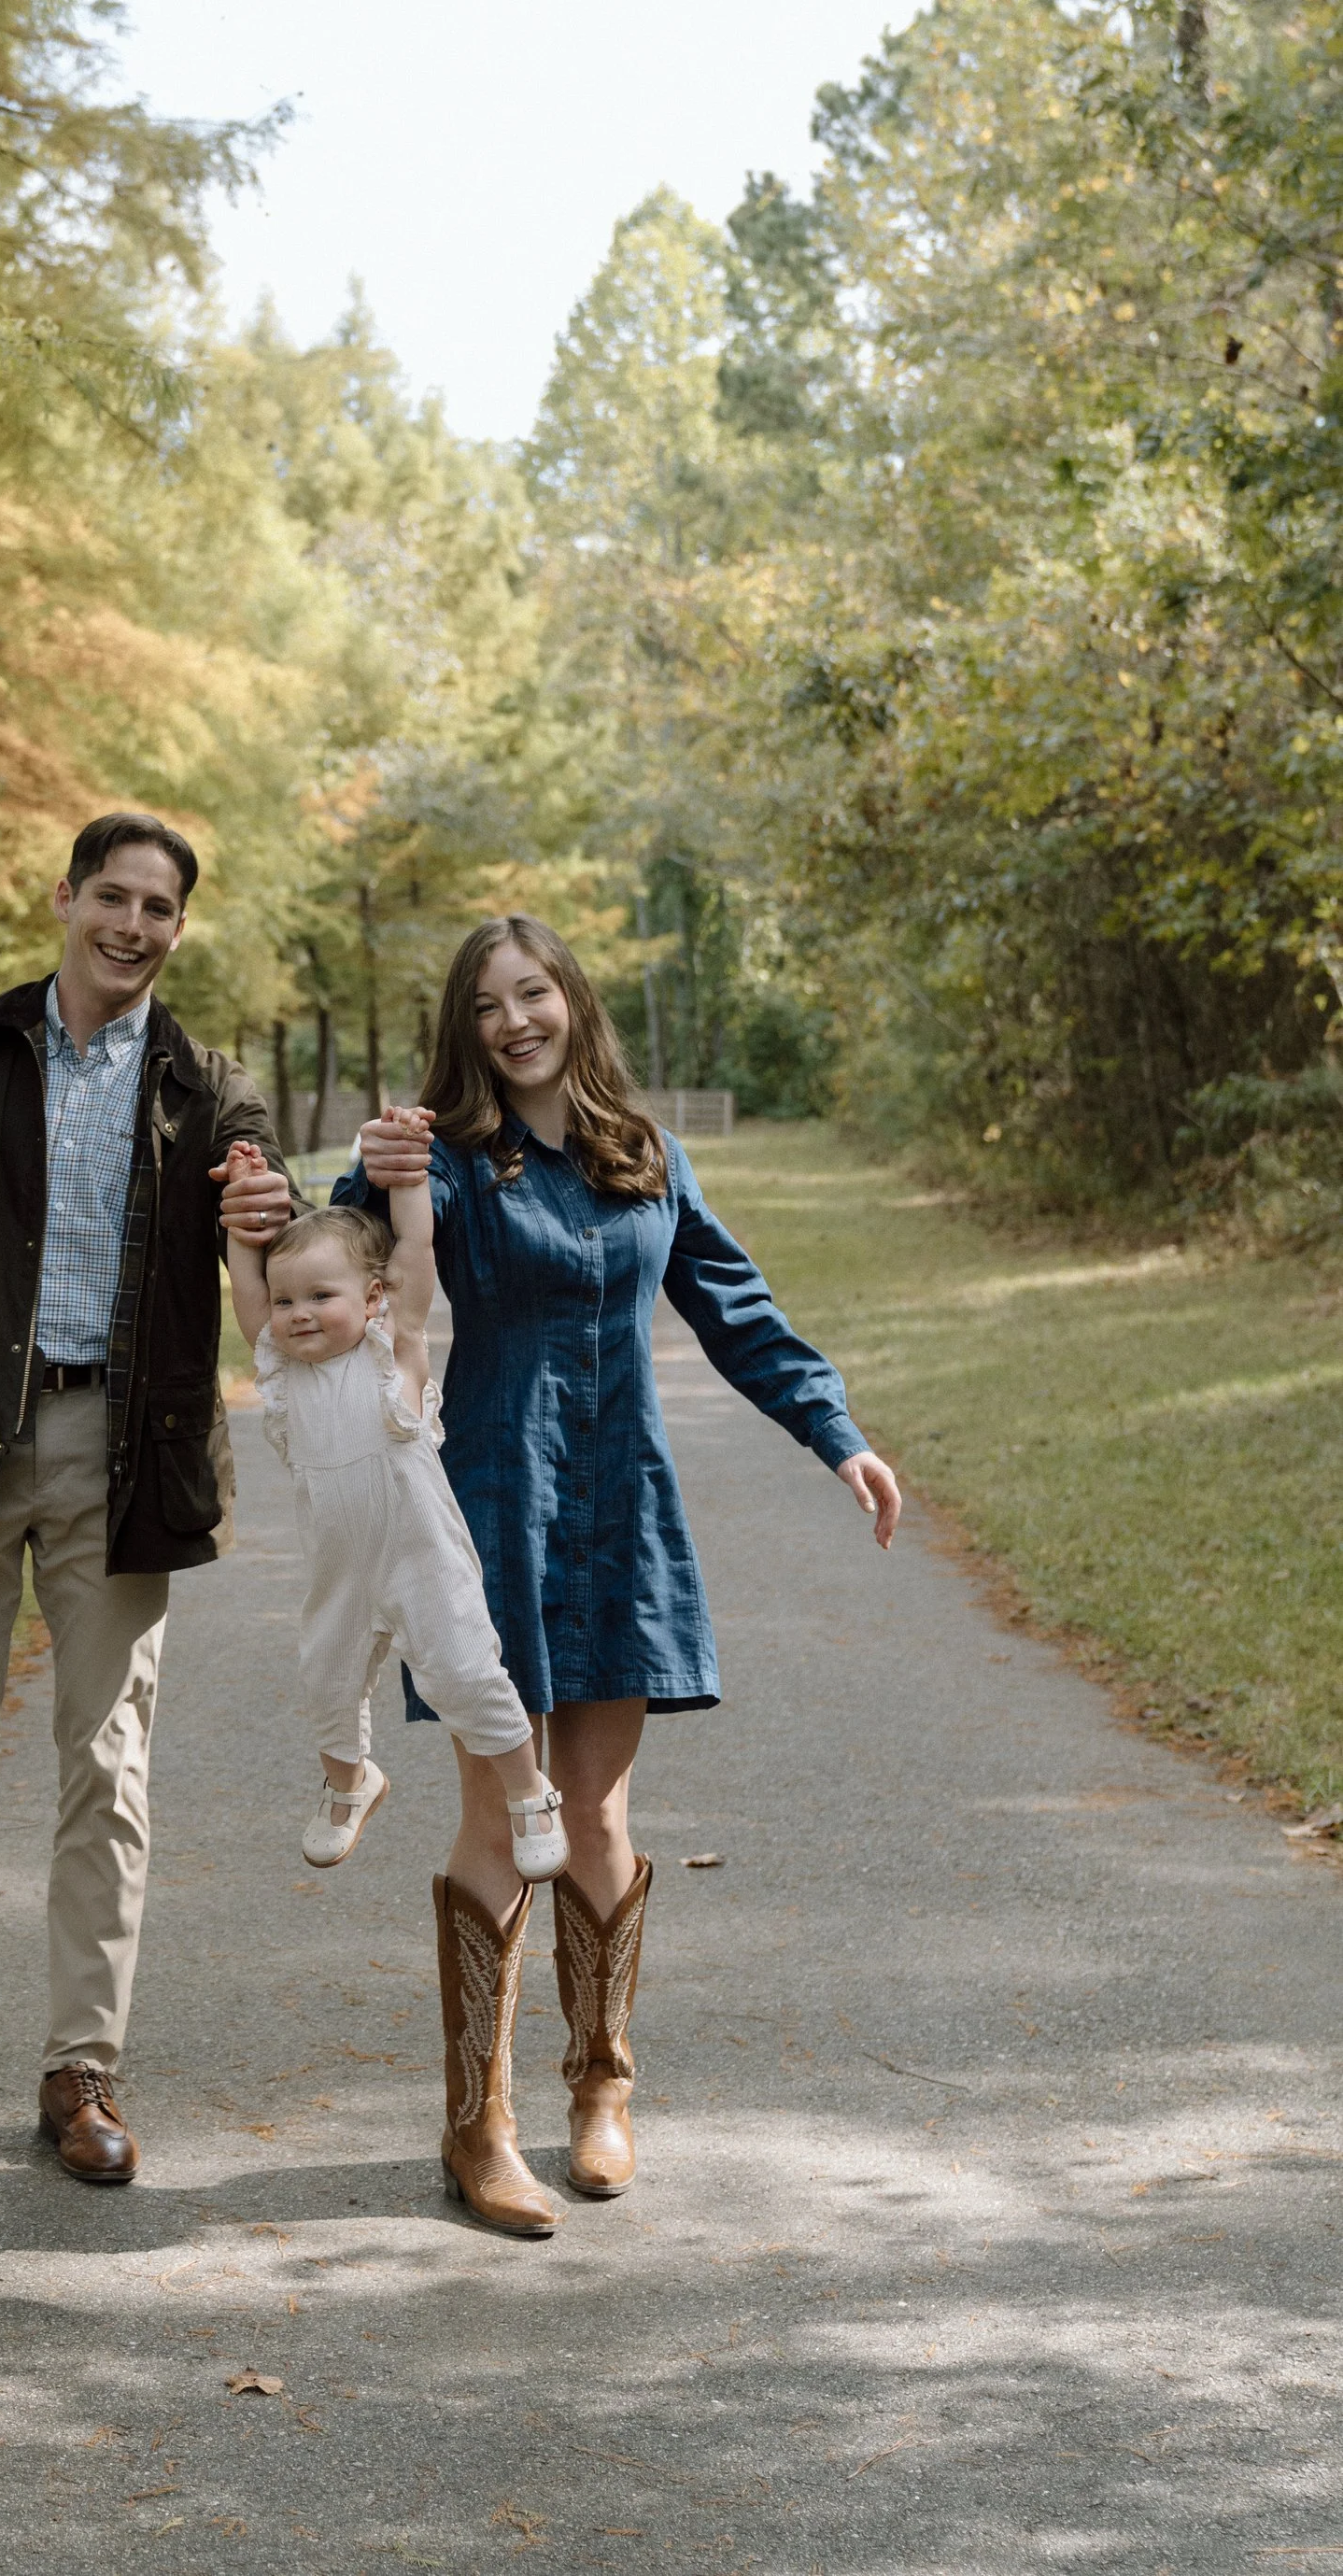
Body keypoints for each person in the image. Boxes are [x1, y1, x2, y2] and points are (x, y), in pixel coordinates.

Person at [337, 914, 901, 2234]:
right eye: (486, 1004)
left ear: (573, 1002)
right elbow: (358, 1273)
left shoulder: (643, 1154)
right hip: (492, 1510)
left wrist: (839, 1433)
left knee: (594, 1816)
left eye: (533, 992)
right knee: (498, 1821)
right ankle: (478, 2124)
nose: (515, 1019)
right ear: (462, 1030)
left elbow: (737, 1306)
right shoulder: (450, 1162)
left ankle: (602, 2086)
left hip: (620, 1511)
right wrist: (366, 1182)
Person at [0, 812, 296, 2206]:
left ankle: (82, 2070)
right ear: (66, 898)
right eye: (113, 898)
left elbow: (283, 1225)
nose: (133, 926)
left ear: (179, 929)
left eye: (160, 908)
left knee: (109, 1767)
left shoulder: (212, 1086)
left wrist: (285, 1205)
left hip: (122, 1457)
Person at [224, 1177, 573, 2238]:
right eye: (286, 1301)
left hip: (421, 1560)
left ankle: (528, 1794)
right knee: (326, 1679)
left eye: (320, 1296)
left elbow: (417, 1259)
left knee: (470, 1676)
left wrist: (413, 1191)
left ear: (370, 1301)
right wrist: (238, 1240)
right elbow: (245, 1296)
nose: (295, 1315)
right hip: (339, 1570)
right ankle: (350, 1778)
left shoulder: (394, 1356)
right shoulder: (280, 1370)